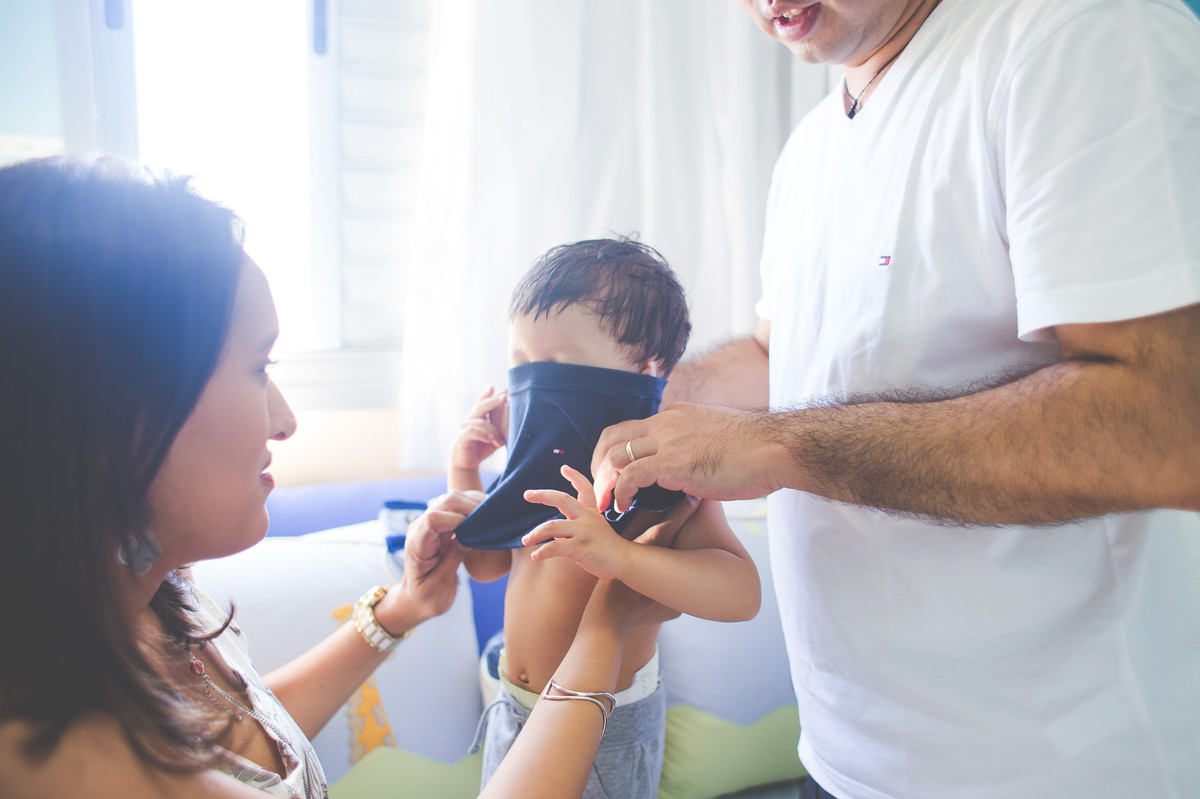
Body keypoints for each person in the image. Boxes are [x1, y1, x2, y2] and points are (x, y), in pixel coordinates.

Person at [589, 1, 1200, 797]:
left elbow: (1168, 426)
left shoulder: (1076, 34)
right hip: (845, 758)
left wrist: (782, 447)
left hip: (1061, 766)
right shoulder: (809, 151)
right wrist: (620, 408)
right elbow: (786, 357)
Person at [0, 155, 681, 799]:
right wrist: (605, 627)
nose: (285, 418)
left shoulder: (150, 600)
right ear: (114, 408)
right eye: (257, 366)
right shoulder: (61, 754)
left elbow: (249, 747)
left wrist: (401, 609)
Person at [446, 238, 761, 798]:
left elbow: (741, 594)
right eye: (521, 363)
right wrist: (464, 474)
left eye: (557, 364)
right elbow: (487, 565)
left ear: (645, 369)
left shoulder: (666, 473)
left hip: (601, 727)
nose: (534, 386)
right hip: (512, 711)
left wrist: (620, 557)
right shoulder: (536, 460)